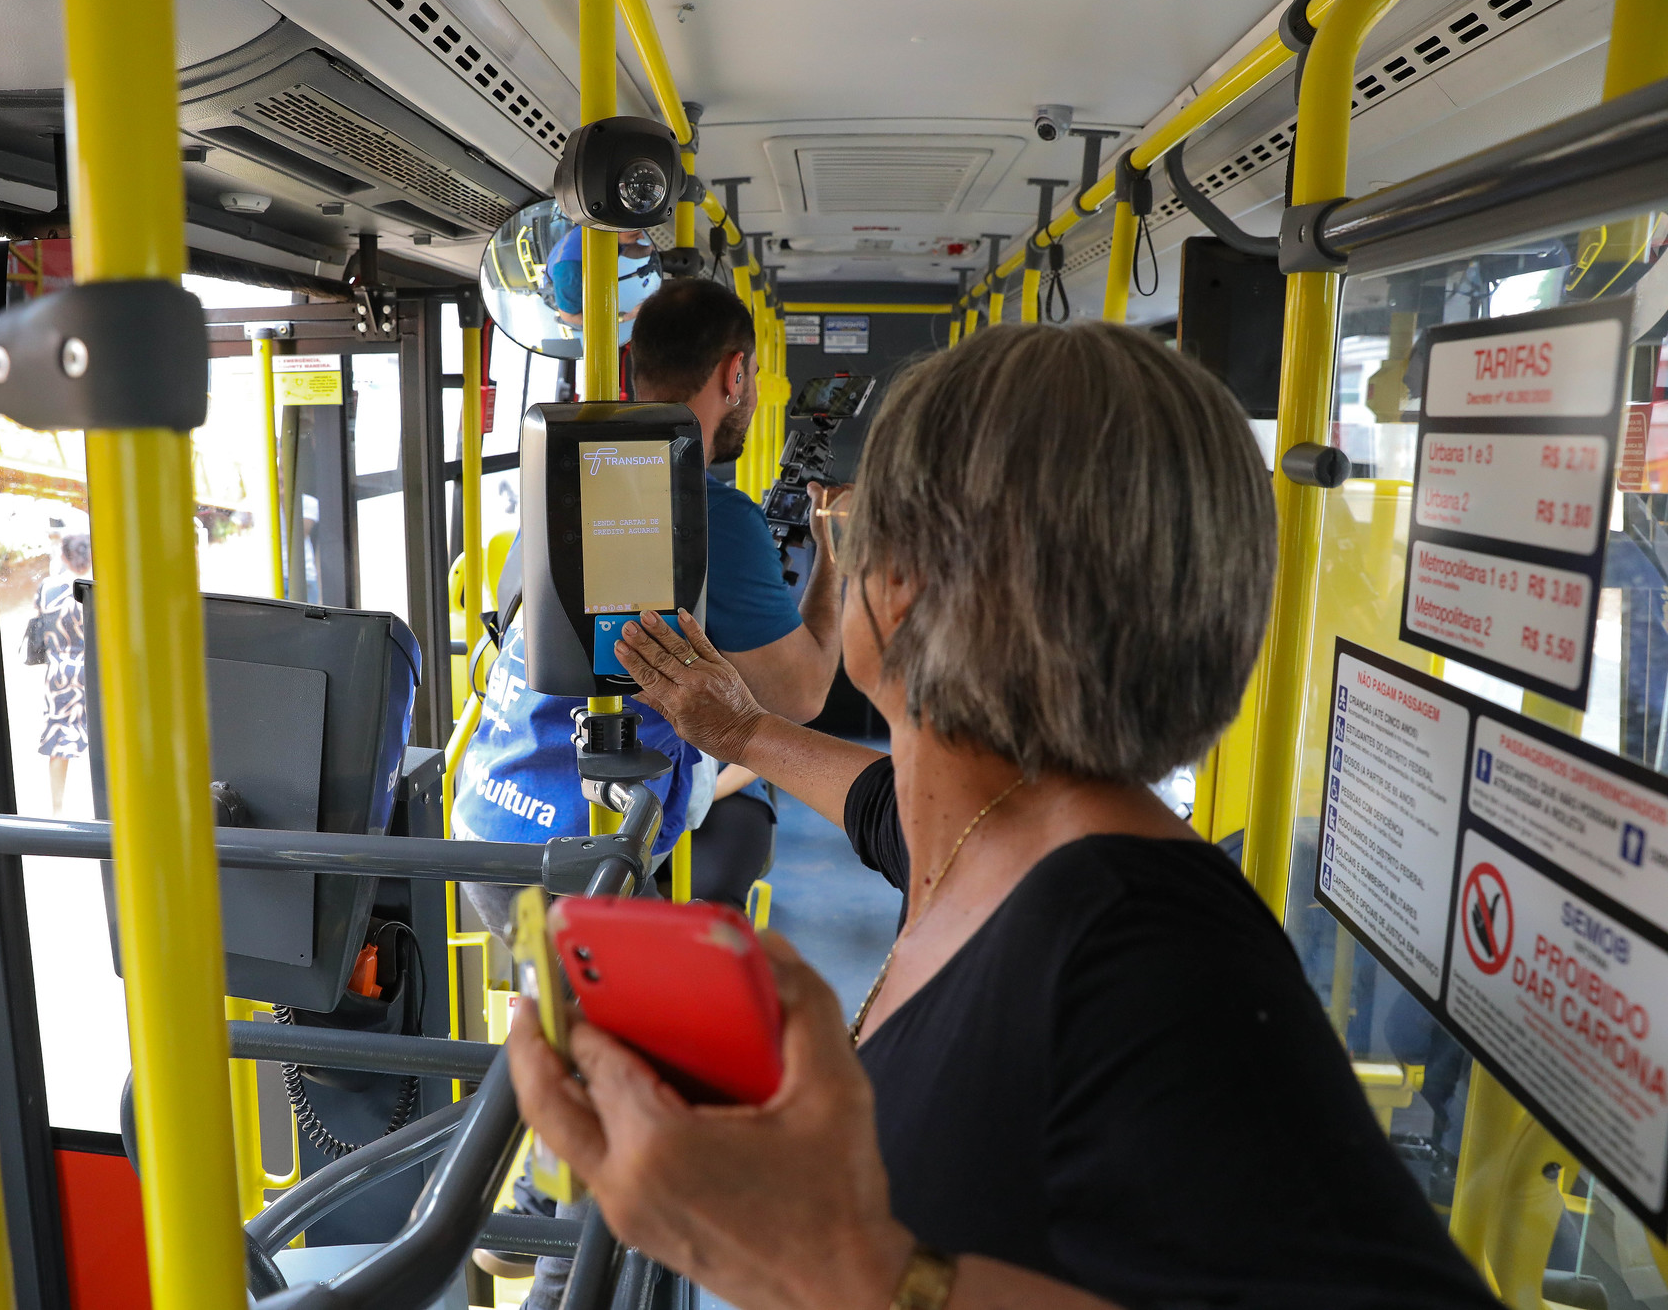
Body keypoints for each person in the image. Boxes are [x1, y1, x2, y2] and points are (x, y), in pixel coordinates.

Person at [512, 322, 1499, 1310]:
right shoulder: (1005, 833)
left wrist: (853, 1275)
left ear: (901, 590)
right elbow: (880, 814)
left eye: (853, 532)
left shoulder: (1149, 959)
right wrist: (739, 732)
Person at [454, 277, 845, 933]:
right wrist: (833, 557)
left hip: (485, 817)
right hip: (580, 856)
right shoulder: (712, 515)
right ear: (736, 373)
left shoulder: (564, 478)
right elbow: (803, 694)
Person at [37, 532, 90, 817]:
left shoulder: (48, 587)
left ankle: (58, 810)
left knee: (60, 743)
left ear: (65, 556)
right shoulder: (95, 588)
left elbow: (39, 621)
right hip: (94, 670)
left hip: (59, 673)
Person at [546, 222, 654, 327]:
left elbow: (625, 248)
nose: (641, 237)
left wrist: (649, 250)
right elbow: (569, 316)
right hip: (570, 295)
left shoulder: (601, 228)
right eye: (635, 233)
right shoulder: (571, 272)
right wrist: (627, 316)